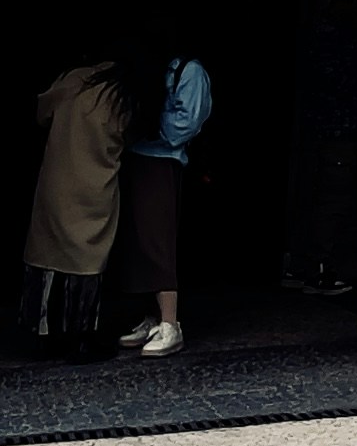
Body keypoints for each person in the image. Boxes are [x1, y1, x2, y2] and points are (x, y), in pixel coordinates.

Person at [20, 51, 133, 357]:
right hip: (98, 184)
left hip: (60, 179)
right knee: (88, 261)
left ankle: (37, 334)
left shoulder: (72, 80)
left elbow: (41, 113)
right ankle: (81, 336)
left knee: (45, 256)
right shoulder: (124, 92)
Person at [117, 40, 214, 359]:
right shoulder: (153, 65)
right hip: (137, 156)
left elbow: (185, 124)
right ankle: (153, 318)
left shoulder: (189, 70)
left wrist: (149, 129)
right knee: (138, 240)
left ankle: (170, 323)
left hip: (162, 160)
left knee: (157, 240)